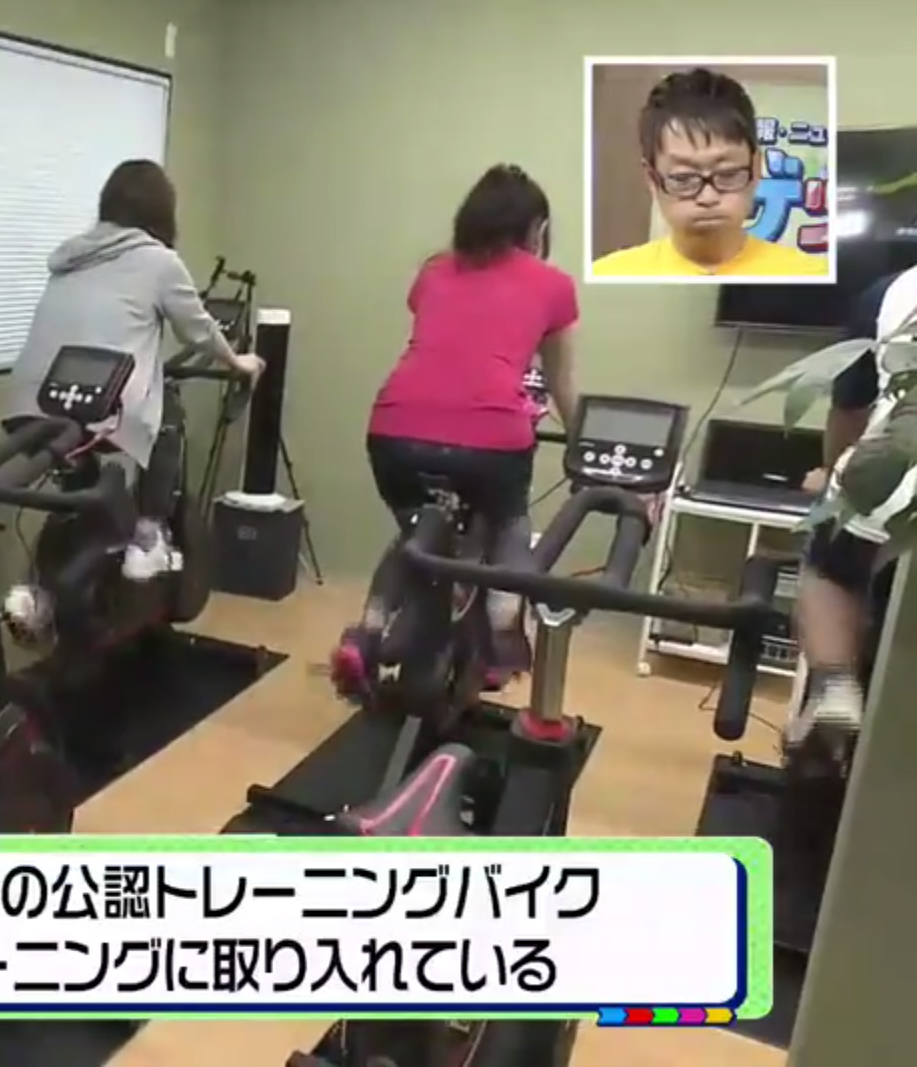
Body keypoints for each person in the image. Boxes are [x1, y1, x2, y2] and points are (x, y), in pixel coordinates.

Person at [331, 165, 580, 700]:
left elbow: (444, 347)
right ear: (537, 227)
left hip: (394, 429)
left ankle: (367, 633)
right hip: (491, 441)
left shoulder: (434, 271)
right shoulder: (553, 284)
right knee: (511, 524)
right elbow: (561, 385)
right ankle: (503, 634)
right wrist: (583, 442)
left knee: (415, 532)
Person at [2, 159, 263, 589]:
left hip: (29, 405)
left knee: (81, 490)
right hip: (95, 403)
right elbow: (198, 330)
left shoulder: (72, 257)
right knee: (168, 414)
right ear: (162, 212)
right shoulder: (159, 261)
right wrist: (238, 362)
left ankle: (43, 591)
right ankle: (148, 536)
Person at [788, 260, 917, 749]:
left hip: (892, 489)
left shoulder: (895, 291)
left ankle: (834, 684)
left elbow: (850, 411)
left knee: (829, 567)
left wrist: (831, 474)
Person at [591, 68, 829, 279]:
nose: (708, 197)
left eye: (728, 174)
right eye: (683, 178)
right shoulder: (610, 273)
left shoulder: (812, 274)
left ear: (756, 168)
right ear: (652, 179)